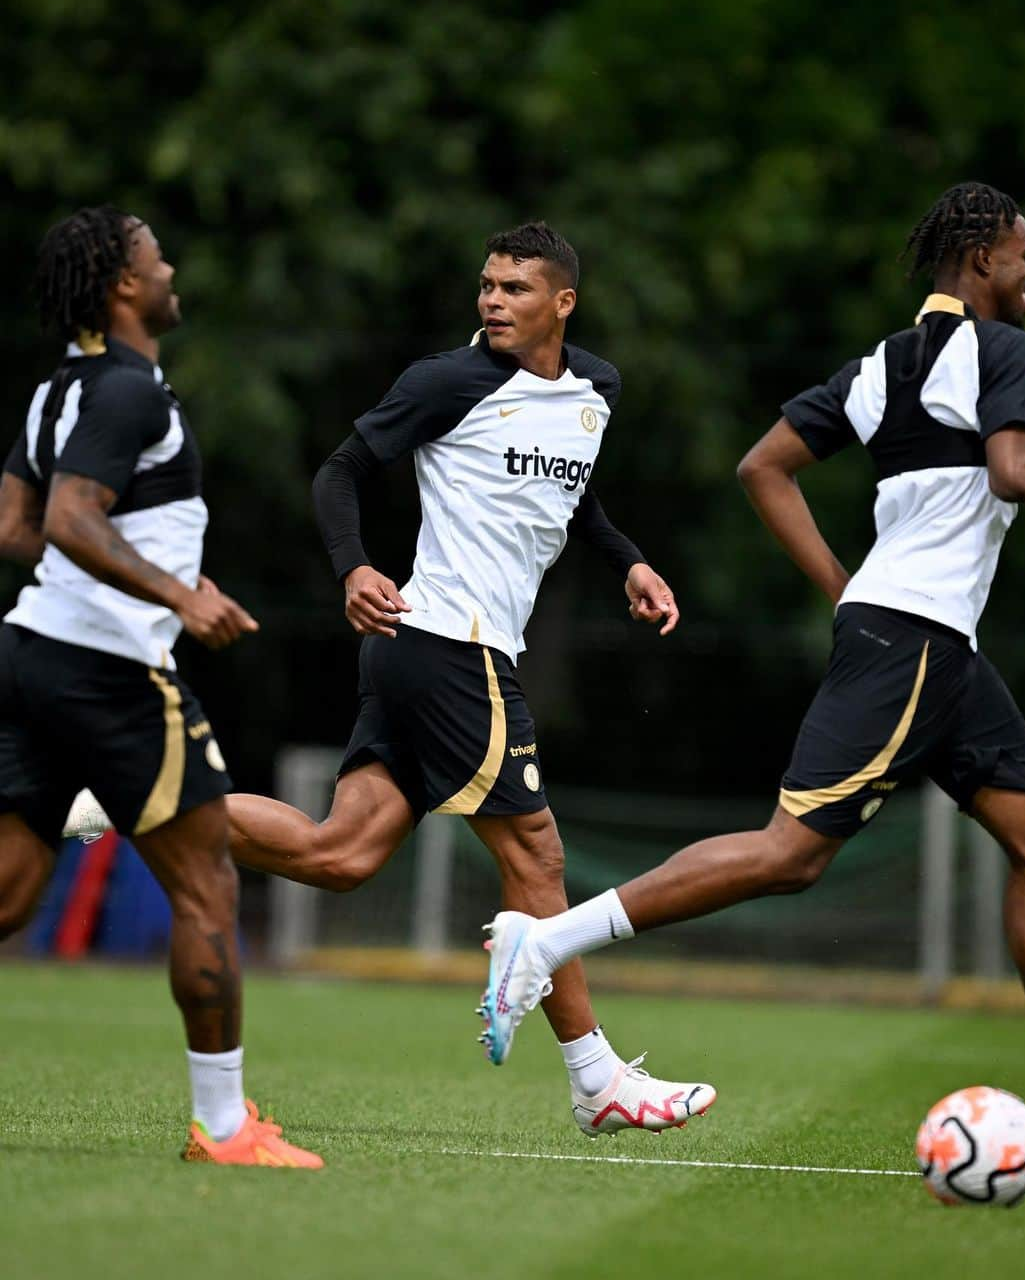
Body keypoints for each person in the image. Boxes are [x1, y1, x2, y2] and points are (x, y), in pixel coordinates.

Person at [480, 183, 1025, 1169]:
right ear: (981, 262)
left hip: (934, 643)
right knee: (789, 854)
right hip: (914, 640)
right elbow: (1015, 469)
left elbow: (764, 465)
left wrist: (844, 589)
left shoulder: (880, 365)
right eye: (1022, 256)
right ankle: (544, 942)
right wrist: (863, 596)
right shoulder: (1009, 351)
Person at [225, 222, 716, 1137]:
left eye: (516, 288)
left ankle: (148, 798)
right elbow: (341, 470)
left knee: (340, 855)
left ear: (562, 303)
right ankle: (595, 1078)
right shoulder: (446, 382)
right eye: (487, 285)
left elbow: (575, 493)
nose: (493, 300)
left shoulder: (595, 388)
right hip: (452, 644)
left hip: (431, 654)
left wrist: (628, 563)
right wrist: (352, 567)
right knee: (536, 858)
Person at [0, 206, 322, 1168]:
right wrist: (177, 594)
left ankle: (224, 1126)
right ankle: (224, 1130)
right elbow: (64, 519)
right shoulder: (131, 390)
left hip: (29, 655)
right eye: (155, 258)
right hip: (111, 671)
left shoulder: (60, 387)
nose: (171, 268)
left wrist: (153, 570)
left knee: (10, 895)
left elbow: (15, 528)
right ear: (123, 287)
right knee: (208, 885)